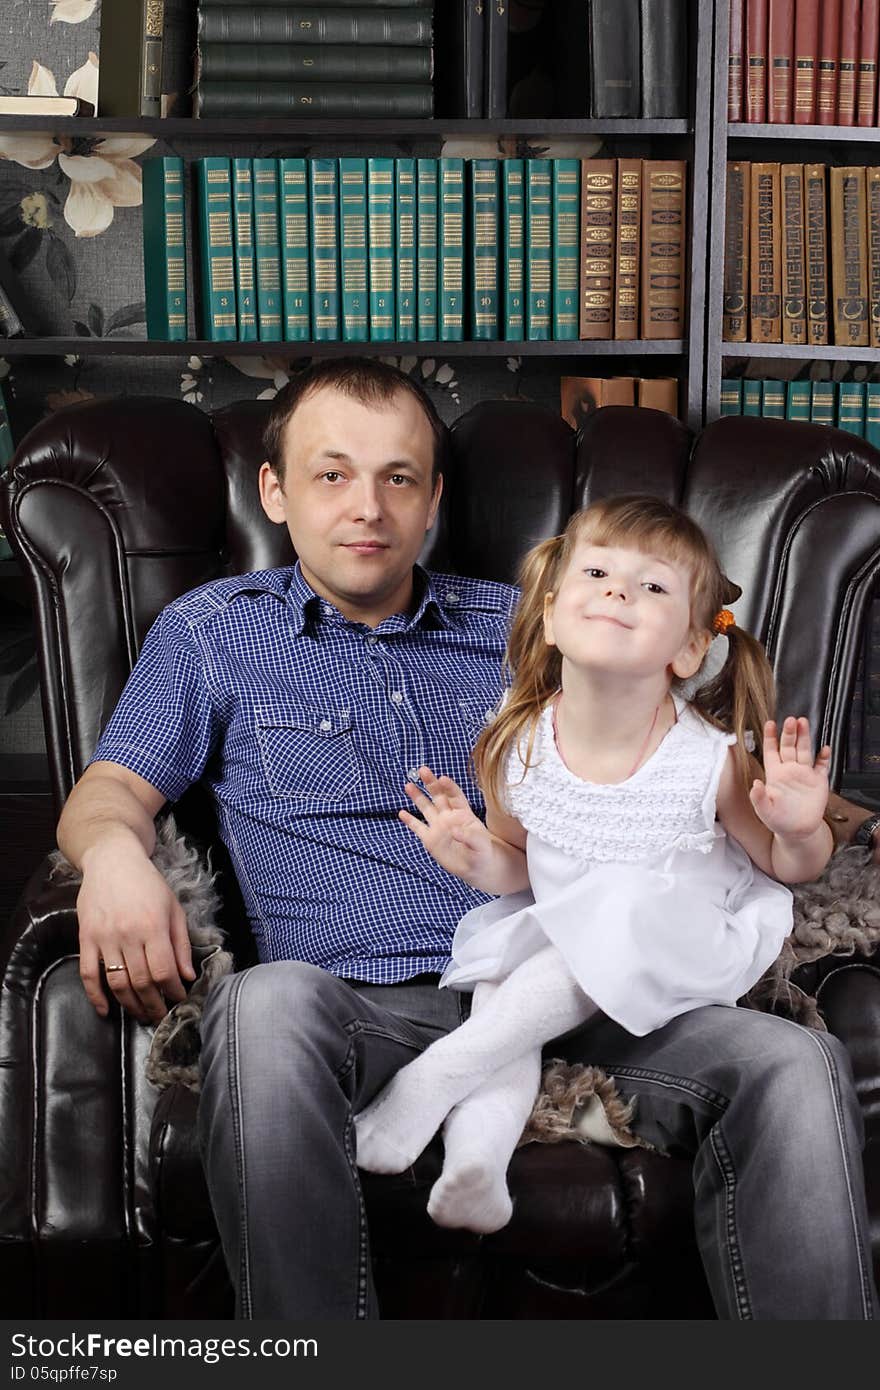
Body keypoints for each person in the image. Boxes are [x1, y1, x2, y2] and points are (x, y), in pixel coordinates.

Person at [55, 358, 879, 1321]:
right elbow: (109, 790)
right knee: (264, 1004)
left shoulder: (535, 626)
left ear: (435, 497)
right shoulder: (211, 633)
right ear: (273, 492)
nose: (369, 506)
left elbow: (689, 750)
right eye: (332, 475)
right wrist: (114, 858)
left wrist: (800, 812)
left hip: (595, 987)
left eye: (399, 477)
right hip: (368, 1002)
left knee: (792, 1060)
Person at [354, 497, 833, 1239]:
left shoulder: (707, 760)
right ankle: (476, 1164)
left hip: (682, 947)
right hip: (564, 952)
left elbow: (787, 866)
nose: (618, 590)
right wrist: (478, 856)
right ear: (550, 614)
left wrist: (799, 828)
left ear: (687, 650)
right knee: (501, 976)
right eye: (601, 571)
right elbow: (520, 870)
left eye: (653, 587)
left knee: (614, 897)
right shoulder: (514, 743)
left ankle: (437, 1074)